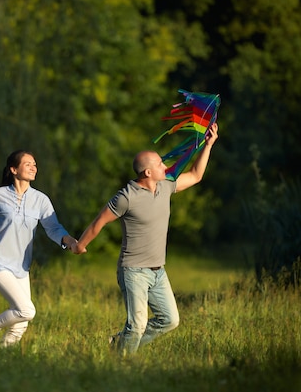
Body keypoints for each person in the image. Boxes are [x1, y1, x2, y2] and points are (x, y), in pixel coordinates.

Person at [72, 122, 219, 356]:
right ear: (147, 172)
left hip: (158, 271)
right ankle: (122, 367)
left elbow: (195, 175)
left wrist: (208, 145)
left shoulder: (166, 187)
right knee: (137, 325)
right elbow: (99, 221)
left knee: (170, 320)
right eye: (160, 163)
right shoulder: (126, 197)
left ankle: (119, 344)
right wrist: (80, 245)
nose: (165, 165)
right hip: (134, 271)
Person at [0, 149, 78, 347]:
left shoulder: (41, 200)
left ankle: (2, 356)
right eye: (28, 164)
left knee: (21, 321)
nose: (33, 167)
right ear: (13, 169)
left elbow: (53, 228)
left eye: (35, 164)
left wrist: (69, 241)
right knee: (27, 311)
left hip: (22, 267)